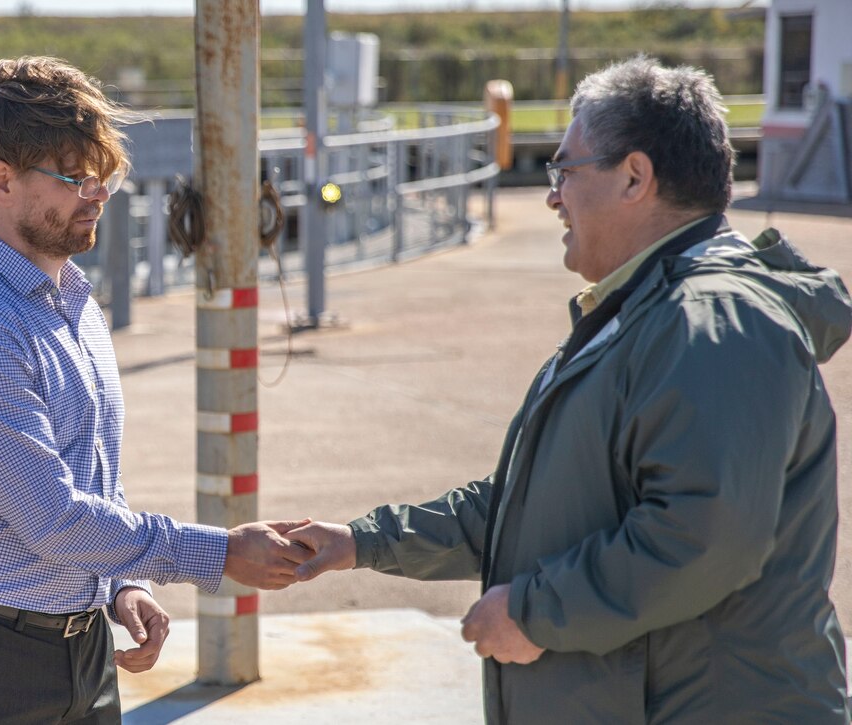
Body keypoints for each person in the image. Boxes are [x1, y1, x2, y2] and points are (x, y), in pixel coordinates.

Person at [287, 56, 852, 722]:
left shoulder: (712, 320)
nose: (553, 195)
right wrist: (363, 541)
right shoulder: (646, 311)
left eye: (566, 171)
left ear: (635, 177)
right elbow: (543, 505)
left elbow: (702, 535)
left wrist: (532, 614)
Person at [0, 56, 311, 725]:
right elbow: (53, 517)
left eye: (103, 174)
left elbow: (92, 481)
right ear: (2, 181)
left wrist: (121, 587)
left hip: (80, 643)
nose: (99, 193)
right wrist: (222, 551)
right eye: (75, 177)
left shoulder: (73, 303)